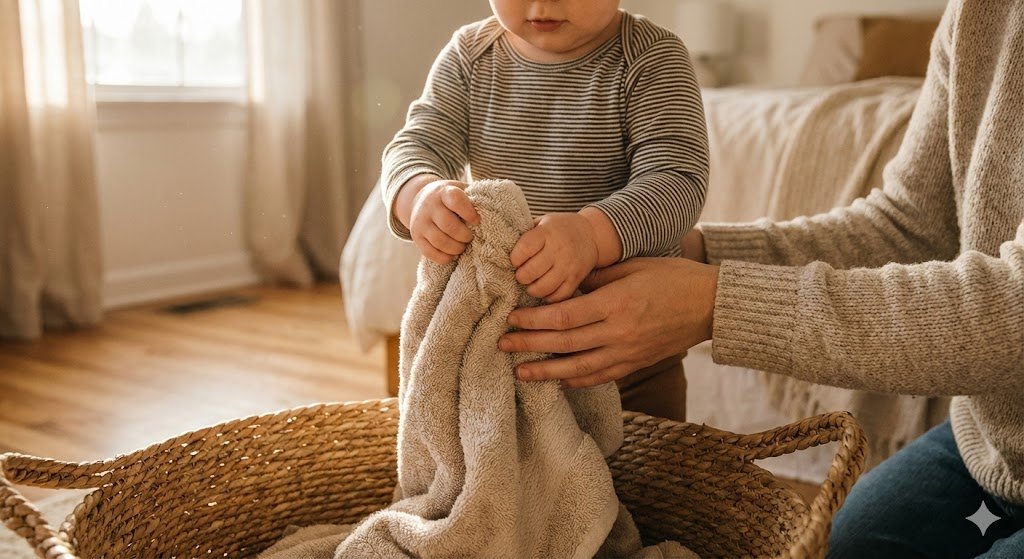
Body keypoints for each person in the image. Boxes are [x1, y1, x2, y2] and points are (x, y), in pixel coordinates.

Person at [497, 1, 1024, 557]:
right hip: (993, 447)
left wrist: (714, 304)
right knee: (849, 546)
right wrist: (696, 254)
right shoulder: (980, 13)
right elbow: (912, 226)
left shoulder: (649, 58)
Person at [383, 0, 709, 421]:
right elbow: (418, 143)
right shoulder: (470, 55)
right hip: (500, 344)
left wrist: (592, 235)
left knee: (650, 478)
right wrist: (418, 193)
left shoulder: (651, 56)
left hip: (624, 348)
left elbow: (676, 179)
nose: (542, 4)